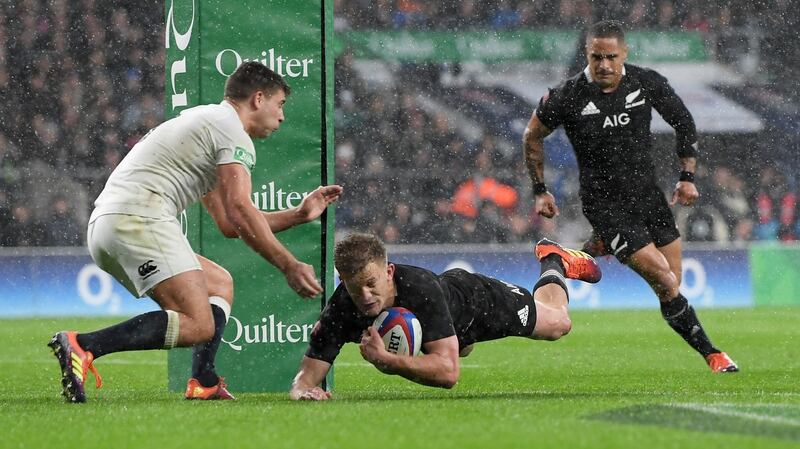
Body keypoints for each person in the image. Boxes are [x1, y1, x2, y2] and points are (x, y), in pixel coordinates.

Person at [48, 61, 343, 403]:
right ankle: (85, 345)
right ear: (258, 99)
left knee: (218, 283)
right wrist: (288, 264)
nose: (282, 117)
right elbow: (241, 211)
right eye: (280, 105)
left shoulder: (206, 123)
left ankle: (203, 380)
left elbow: (230, 224)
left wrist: (299, 214)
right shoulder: (231, 131)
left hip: (111, 224)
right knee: (198, 324)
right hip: (138, 217)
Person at [522, 20, 737, 373]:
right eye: (596, 57)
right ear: (587, 55)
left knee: (672, 285)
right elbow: (532, 135)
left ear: (624, 53)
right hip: (605, 204)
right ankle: (713, 354)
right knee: (664, 279)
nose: (604, 65)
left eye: (610, 57)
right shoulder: (569, 95)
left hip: (649, 197)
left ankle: (574, 255)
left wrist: (687, 177)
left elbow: (684, 122)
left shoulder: (645, 82)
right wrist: (539, 189)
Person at [289, 233, 601, 400]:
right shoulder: (342, 308)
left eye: (372, 284)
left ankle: (553, 261)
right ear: (343, 282)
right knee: (458, 349)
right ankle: (456, 342)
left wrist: (387, 360)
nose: (366, 296)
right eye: (356, 289)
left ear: (389, 272)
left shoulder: (420, 289)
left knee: (559, 325)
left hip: (473, 305)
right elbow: (307, 376)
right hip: (442, 332)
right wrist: (303, 392)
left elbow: (449, 375)